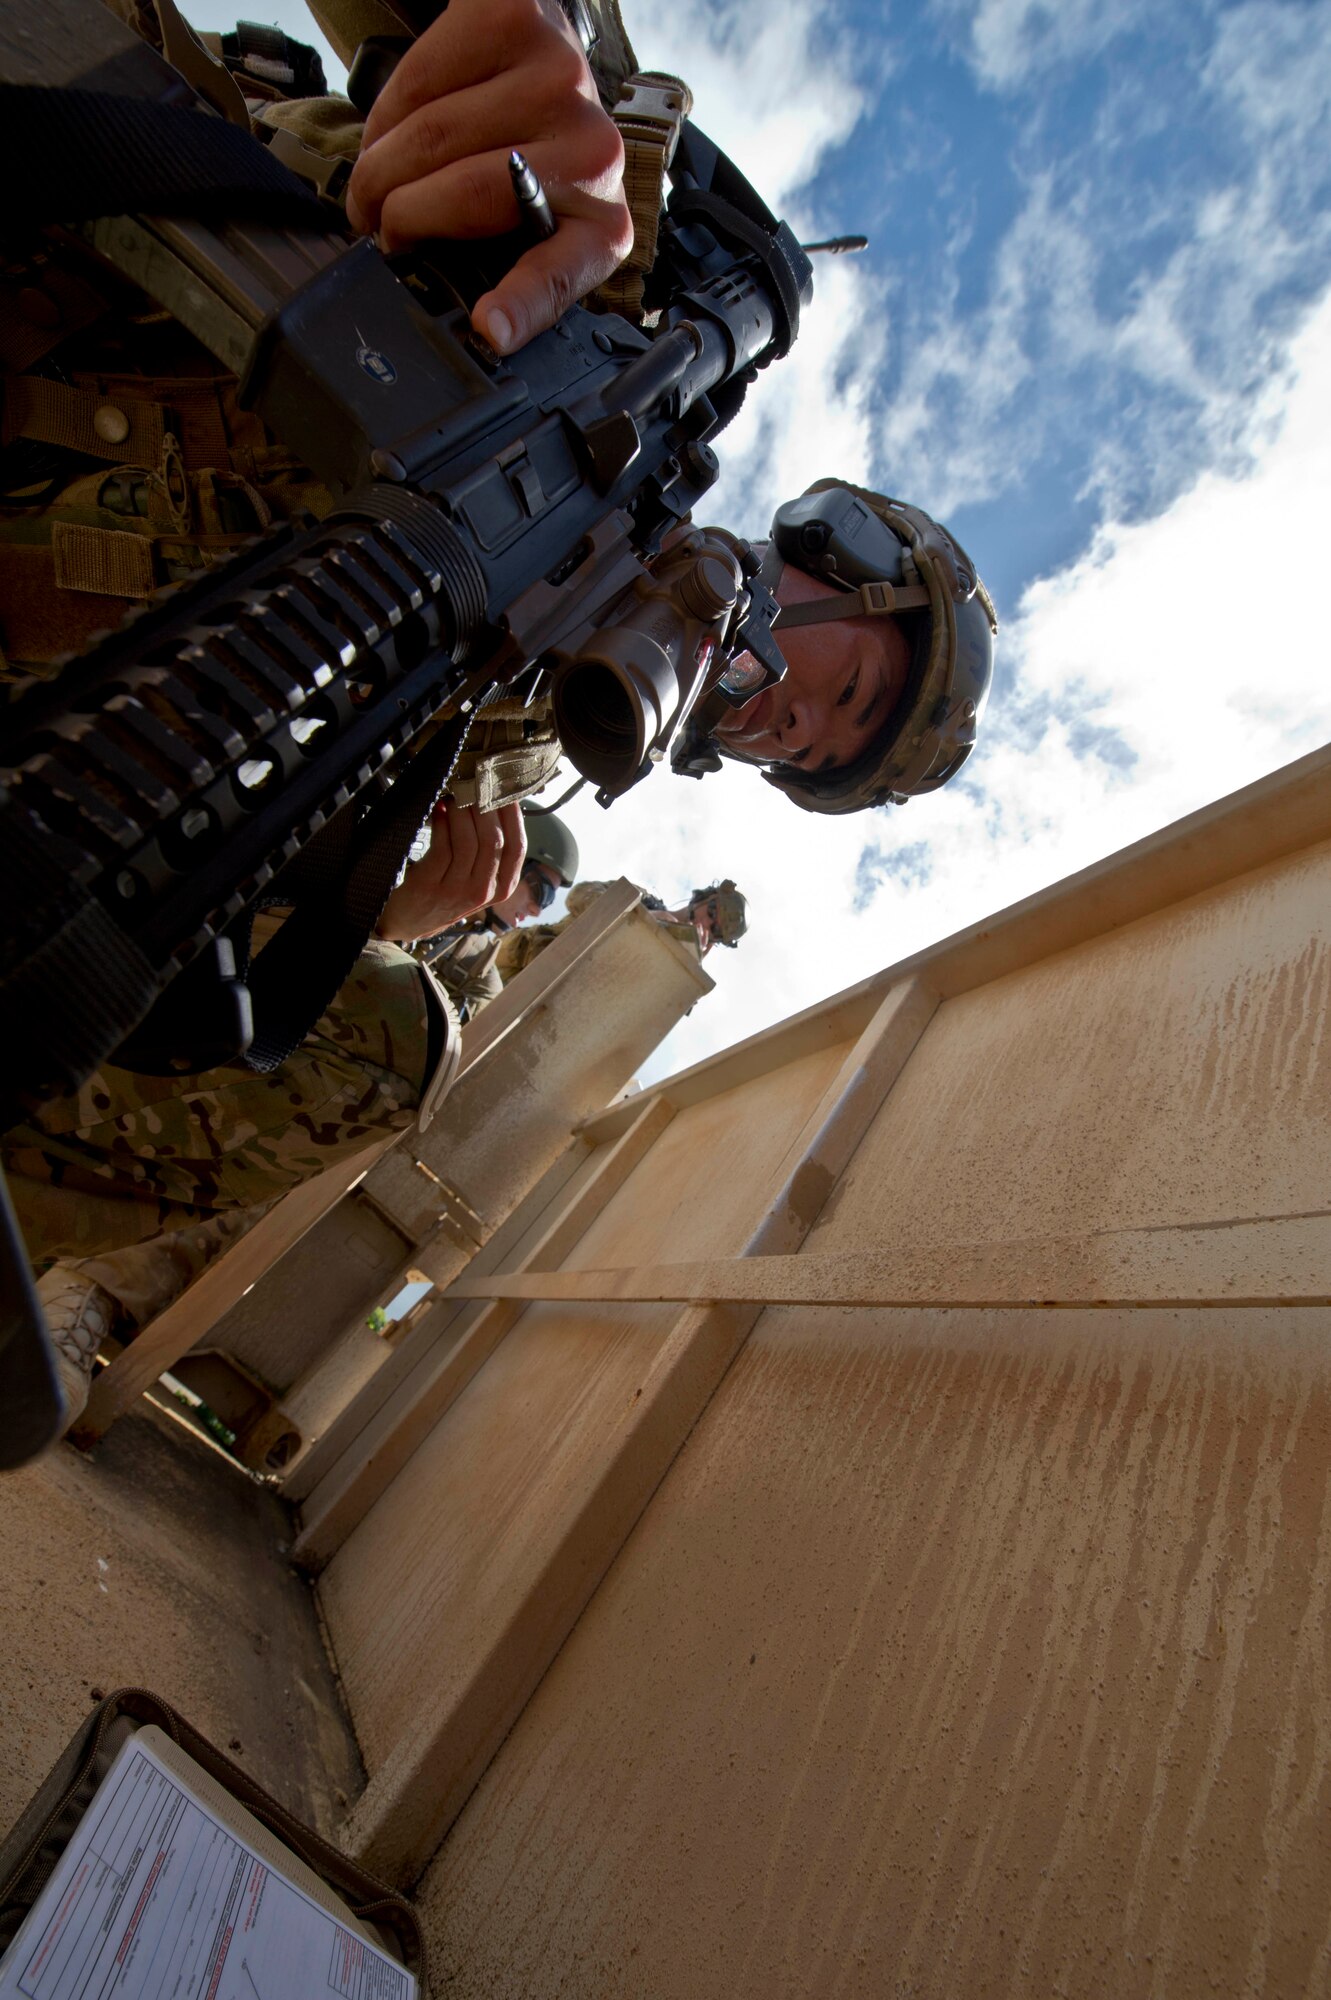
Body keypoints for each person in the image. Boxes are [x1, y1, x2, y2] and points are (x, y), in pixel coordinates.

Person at [2, 0, 995, 1426]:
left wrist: (377, 912)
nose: (785, 720)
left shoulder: (524, 745)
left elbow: (205, 812)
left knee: (391, 1037)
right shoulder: (623, 317)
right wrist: (521, 71)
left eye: (807, 755)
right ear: (832, 562)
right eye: (835, 686)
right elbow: (502, 66)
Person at [418, 805, 580, 1020]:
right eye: (541, 892)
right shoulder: (407, 866)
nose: (535, 911)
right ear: (507, 855)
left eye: (547, 902)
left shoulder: (478, 970)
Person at [497, 875, 747, 980]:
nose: (704, 923)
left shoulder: (670, 972)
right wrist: (642, 916)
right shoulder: (641, 899)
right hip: (524, 956)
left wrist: (685, 965)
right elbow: (579, 896)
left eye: (714, 929)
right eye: (712, 911)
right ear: (706, 897)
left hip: (551, 999)